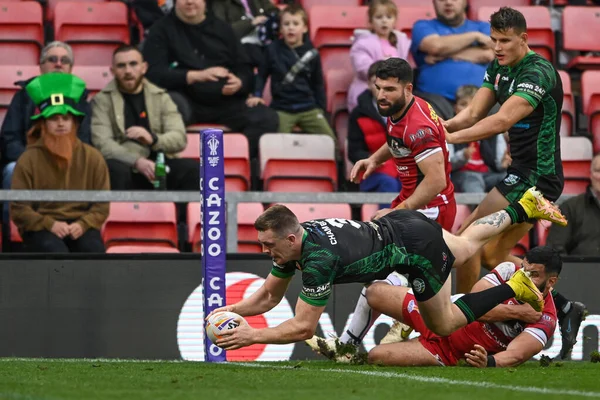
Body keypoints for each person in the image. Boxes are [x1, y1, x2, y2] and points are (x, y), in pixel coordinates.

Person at [207, 187, 567, 351]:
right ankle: (524, 205)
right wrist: (232, 310)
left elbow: (302, 328)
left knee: (443, 324)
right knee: (468, 244)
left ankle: (514, 286)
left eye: (268, 244)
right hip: (405, 224)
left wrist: (250, 336)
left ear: (289, 238)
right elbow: (270, 295)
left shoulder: (318, 260)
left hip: (414, 250)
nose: (264, 250)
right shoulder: (298, 241)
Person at [444, 7, 585, 360]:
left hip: (540, 179)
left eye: (505, 40)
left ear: (523, 39)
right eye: (493, 40)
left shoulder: (538, 71)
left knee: (471, 246)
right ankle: (564, 307)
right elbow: (473, 114)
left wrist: (452, 139)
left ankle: (460, 321)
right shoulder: (499, 66)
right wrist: (440, 129)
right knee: (481, 249)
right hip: (519, 173)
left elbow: (501, 119)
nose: (497, 47)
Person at [365, 247, 560, 367]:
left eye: (533, 275)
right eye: (524, 269)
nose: (523, 276)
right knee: (374, 293)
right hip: (442, 313)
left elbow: (516, 355)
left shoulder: (546, 318)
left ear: (551, 281)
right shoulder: (509, 270)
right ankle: (404, 287)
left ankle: (408, 325)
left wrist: (489, 362)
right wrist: (517, 312)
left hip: (447, 352)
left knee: (376, 356)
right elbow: (474, 302)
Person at [142, 0, 278, 158]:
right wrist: (194, 76)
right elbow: (153, 74)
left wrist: (239, 82)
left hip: (225, 101)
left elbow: (245, 68)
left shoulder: (223, 29)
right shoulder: (160, 30)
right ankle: (176, 170)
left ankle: (230, 162)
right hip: (184, 100)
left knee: (266, 118)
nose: (190, 2)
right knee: (164, 110)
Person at [350, 57, 456, 230]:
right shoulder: (400, 107)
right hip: (411, 201)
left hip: (430, 209)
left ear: (408, 89)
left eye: (389, 89)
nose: (381, 96)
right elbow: (399, 139)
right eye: (378, 88)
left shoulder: (418, 128)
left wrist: (397, 212)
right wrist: (375, 159)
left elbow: (437, 181)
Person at [10, 73, 109, 253]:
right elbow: (19, 209)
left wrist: (83, 224)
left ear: (75, 122)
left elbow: (102, 206)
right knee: (56, 253)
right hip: (40, 227)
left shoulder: (93, 158)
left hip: (81, 225)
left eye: (66, 118)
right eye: (53, 118)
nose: (60, 124)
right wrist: (49, 224)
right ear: (43, 124)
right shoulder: (28, 159)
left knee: (93, 251)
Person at [91, 45, 197, 192]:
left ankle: (182, 215)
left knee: (193, 170)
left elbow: (179, 138)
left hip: (160, 163)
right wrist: (136, 162)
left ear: (144, 67)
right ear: (112, 71)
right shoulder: (102, 100)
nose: (128, 71)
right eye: (121, 66)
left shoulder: (161, 97)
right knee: (114, 169)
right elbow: (103, 144)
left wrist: (153, 139)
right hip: (125, 165)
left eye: (133, 64)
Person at [0, 42, 91, 206]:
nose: (58, 64)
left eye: (64, 60)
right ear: (41, 66)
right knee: (12, 170)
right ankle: (11, 229)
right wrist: (33, 160)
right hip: (28, 161)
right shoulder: (23, 97)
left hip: (68, 162)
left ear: (70, 68)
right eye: (52, 59)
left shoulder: (81, 100)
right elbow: (9, 139)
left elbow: (85, 139)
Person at [246, 4, 335, 139]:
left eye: (295, 23)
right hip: (282, 109)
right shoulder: (272, 50)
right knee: (277, 143)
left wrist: (320, 109)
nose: (291, 27)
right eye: (286, 24)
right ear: (281, 29)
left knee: (330, 141)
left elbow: (318, 84)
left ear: (305, 28)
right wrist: (257, 94)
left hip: (309, 108)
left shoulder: (312, 53)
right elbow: (262, 75)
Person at [410, 0, 494, 104]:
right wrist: (474, 36)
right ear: (434, 2)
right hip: (434, 101)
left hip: (480, 100)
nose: (448, 2)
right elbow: (436, 46)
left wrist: (446, 53)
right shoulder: (422, 26)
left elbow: (488, 55)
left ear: (465, 2)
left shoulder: (483, 27)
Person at [347, 0, 411, 112]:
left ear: (395, 21)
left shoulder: (401, 43)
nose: (384, 21)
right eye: (379, 17)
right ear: (371, 22)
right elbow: (364, 68)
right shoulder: (362, 43)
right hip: (368, 92)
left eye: (389, 17)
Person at [348, 61, 401, 196]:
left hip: (403, 169)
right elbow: (354, 151)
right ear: (368, 84)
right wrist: (371, 159)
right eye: (376, 83)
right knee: (388, 183)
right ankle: (386, 218)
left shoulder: (406, 111)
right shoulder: (358, 114)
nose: (380, 89)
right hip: (373, 173)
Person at [448, 85, 509, 193]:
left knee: (507, 179)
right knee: (472, 180)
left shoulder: (493, 131)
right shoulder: (449, 131)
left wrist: (504, 163)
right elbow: (447, 165)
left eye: (472, 105)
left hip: (487, 174)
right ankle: (480, 210)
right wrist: (462, 156)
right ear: (455, 108)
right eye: (463, 104)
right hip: (461, 174)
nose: (468, 110)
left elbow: (498, 165)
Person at [546, 153, 600, 256]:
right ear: (590, 174)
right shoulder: (569, 208)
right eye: (598, 171)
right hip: (579, 271)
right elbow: (555, 249)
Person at [211, 0, 280, 69]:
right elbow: (221, 30)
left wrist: (271, 17)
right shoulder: (220, 3)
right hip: (242, 43)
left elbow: (273, 11)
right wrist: (250, 23)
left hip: (266, 36)